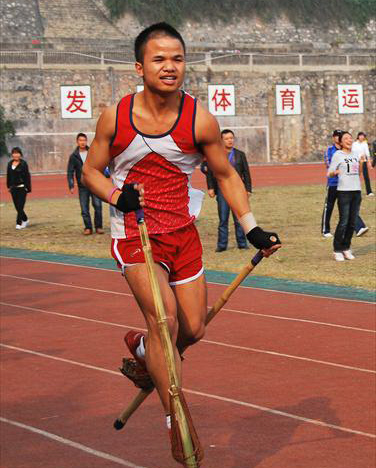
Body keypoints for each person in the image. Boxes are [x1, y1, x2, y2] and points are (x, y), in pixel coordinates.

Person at [82, 22, 281, 436]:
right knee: (165, 321)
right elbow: (90, 172)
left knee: (193, 328)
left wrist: (253, 228)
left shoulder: (199, 120)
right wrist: (118, 197)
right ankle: (175, 414)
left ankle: (143, 350)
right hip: (136, 236)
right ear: (139, 67)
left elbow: (225, 176)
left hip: (182, 235)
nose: (169, 67)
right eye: (159, 59)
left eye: (177, 58)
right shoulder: (115, 117)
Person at [206, 129, 253, 251]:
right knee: (223, 219)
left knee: (239, 218)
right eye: (226, 139)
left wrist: (248, 188)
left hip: (238, 190)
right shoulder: (217, 155)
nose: (229, 140)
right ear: (221, 141)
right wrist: (210, 187)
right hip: (222, 190)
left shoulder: (240, 154)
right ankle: (222, 245)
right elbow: (210, 172)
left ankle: (242, 244)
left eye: (231, 138)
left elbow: (246, 173)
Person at [321, 130, 368, 238]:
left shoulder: (351, 152)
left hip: (346, 184)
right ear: (334, 138)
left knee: (350, 207)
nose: (338, 138)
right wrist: (337, 170)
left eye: (340, 136)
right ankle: (325, 230)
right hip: (334, 183)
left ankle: (359, 227)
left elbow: (355, 168)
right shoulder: (331, 150)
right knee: (329, 206)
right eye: (336, 136)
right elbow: (329, 164)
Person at [328, 131, 364, 261]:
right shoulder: (338, 155)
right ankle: (337, 249)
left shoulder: (355, 154)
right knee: (343, 222)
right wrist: (336, 172)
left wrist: (361, 163)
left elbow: (358, 174)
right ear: (341, 142)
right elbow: (329, 173)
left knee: (352, 223)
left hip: (356, 191)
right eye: (346, 138)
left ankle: (346, 248)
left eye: (350, 138)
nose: (349, 140)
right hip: (344, 192)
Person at [67, 133, 104, 235]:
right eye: (80, 140)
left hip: (94, 184)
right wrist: (71, 185)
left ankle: (98, 227)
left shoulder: (92, 152)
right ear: (77, 142)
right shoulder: (74, 156)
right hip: (82, 186)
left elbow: (99, 165)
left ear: (86, 141)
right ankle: (88, 227)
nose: (82, 142)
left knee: (97, 205)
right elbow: (70, 171)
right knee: (84, 208)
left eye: (84, 140)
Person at [6, 146, 31, 229]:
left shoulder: (23, 164)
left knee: (20, 206)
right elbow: (8, 176)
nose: (16, 155)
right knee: (17, 207)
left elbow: (27, 176)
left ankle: (18, 223)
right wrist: (9, 186)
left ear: (20, 154)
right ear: (12, 154)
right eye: (14, 153)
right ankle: (25, 219)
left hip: (22, 188)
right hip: (13, 188)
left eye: (17, 153)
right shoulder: (9, 164)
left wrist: (28, 187)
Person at [352, 132, 374, 196]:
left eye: (363, 136)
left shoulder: (365, 144)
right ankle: (354, 191)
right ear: (358, 136)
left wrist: (369, 162)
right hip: (356, 162)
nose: (362, 137)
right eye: (361, 136)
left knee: (366, 176)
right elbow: (353, 153)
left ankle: (369, 191)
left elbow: (368, 154)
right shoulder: (354, 144)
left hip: (363, 162)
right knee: (355, 176)